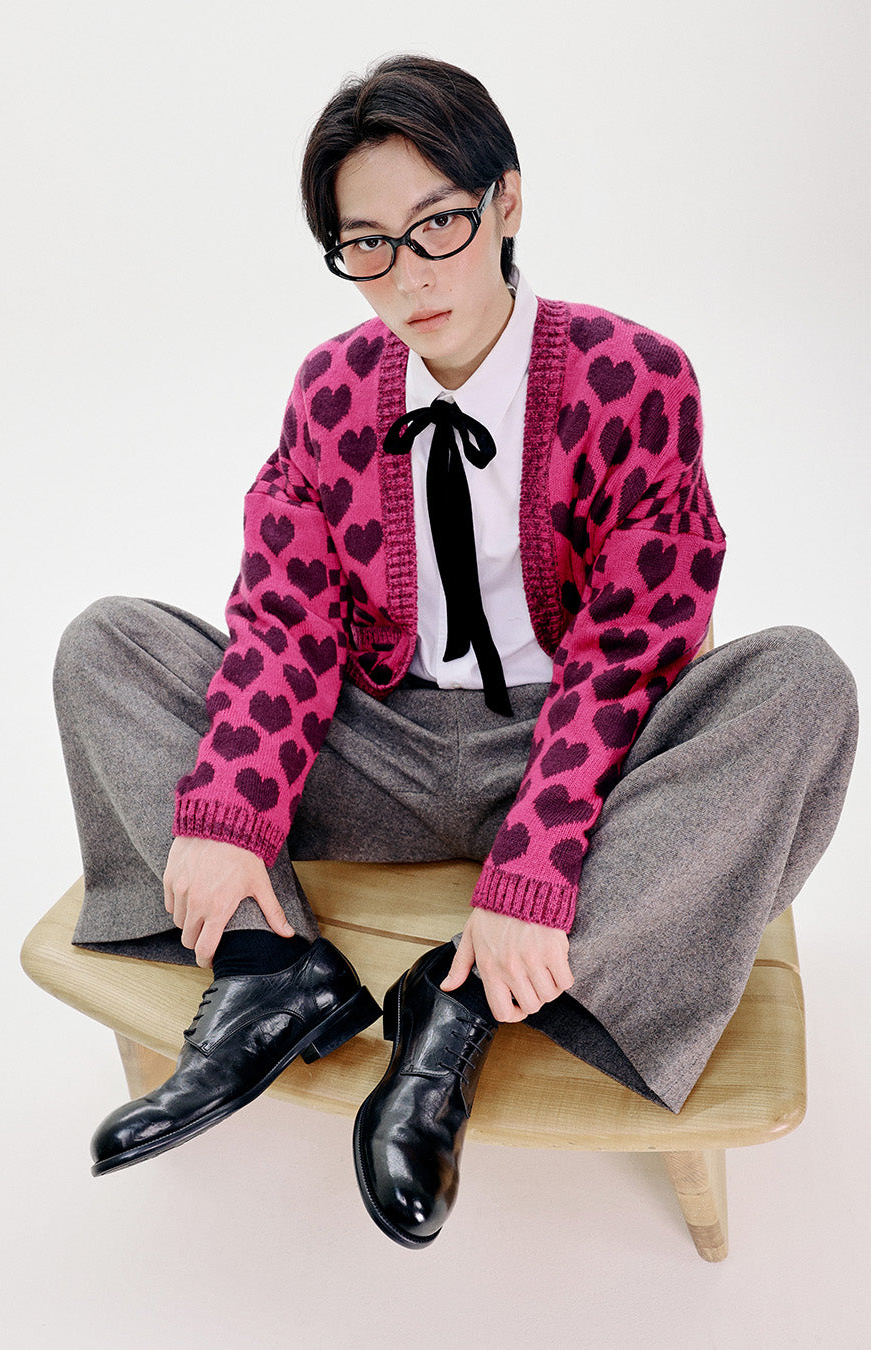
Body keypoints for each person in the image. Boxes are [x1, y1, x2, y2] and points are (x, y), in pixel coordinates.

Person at [53, 55, 858, 1248]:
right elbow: (282, 621)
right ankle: (271, 971)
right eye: (367, 244)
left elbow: (630, 656)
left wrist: (532, 870)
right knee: (106, 645)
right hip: (375, 746)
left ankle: (458, 1007)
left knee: (800, 683)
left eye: (437, 225)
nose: (410, 275)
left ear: (506, 201)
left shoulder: (635, 377)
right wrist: (227, 811)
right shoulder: (329, 390)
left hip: (571, 756)